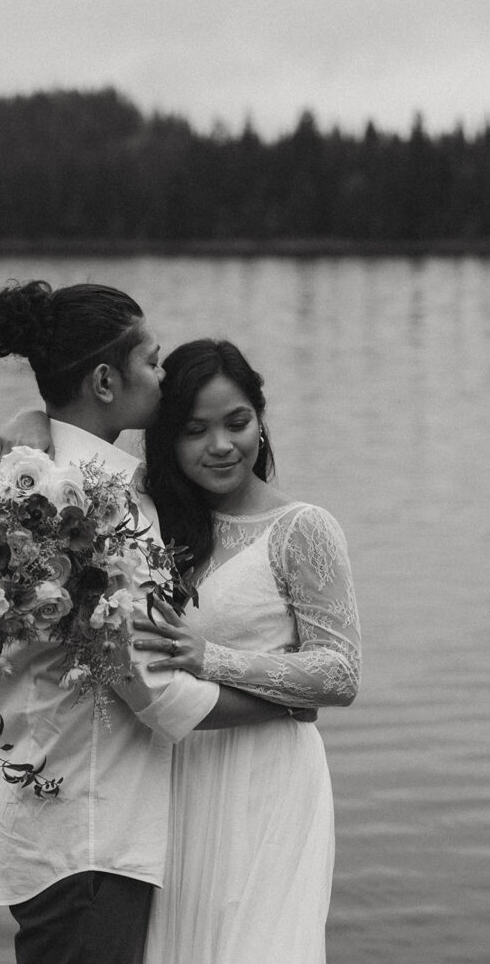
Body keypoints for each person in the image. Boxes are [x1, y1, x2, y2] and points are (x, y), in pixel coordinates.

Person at [0, 281, 308, 964]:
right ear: (105, 380)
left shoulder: (33, 474)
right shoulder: (95, 509)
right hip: (90, 839)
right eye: (152, 362)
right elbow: (157, 691)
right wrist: (282, 701)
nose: (162, 379)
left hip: (62, 828)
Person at [131, 338, 361, 964]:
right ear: (167, 438)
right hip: (175, 774)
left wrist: (213, 658)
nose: (222, 446)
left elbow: (339, 674)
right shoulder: (150, 518)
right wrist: (32, 427)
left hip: (267, 781)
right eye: (195, 430)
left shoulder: (301, 527)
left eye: (238, 423)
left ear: (261, 419)